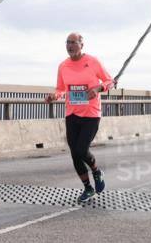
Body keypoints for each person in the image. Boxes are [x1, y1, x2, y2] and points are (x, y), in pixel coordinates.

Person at [45, 33, 113, 203]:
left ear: (82, 44)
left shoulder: (93, 61)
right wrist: (54, 96)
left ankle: (97, 171)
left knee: (81, 150)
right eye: (67, 42)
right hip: (72, 113)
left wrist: (97, 89)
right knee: (75, 154)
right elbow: (61, 89)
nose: (70, 45)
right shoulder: (63, 66)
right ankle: (88, 188)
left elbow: (110, 81)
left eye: (73, 42)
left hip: (91, 114)